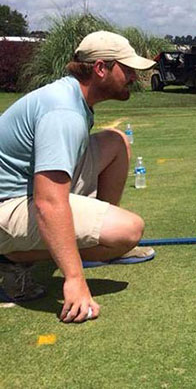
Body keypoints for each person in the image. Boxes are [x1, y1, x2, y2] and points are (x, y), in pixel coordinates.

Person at [0, 31, 156, 322]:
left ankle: (98, 244)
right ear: (100, 69)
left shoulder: (73, 97)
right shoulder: (64, 111)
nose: (133, 76)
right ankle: (9, 258)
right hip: (6, 206)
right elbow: (48, 202)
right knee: (128, 231)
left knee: (116, 141)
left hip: (22, 189)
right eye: (127, 68)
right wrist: (74, 278)